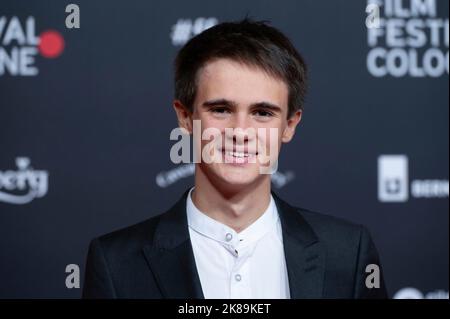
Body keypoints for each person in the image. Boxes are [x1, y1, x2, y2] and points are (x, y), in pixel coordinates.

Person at [82, 18, 388, 299]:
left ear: (290, 125)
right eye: (221, 110)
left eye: (262, 113)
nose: (241, 132)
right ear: (185, 117)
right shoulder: (116, 263)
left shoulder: (348, 254)